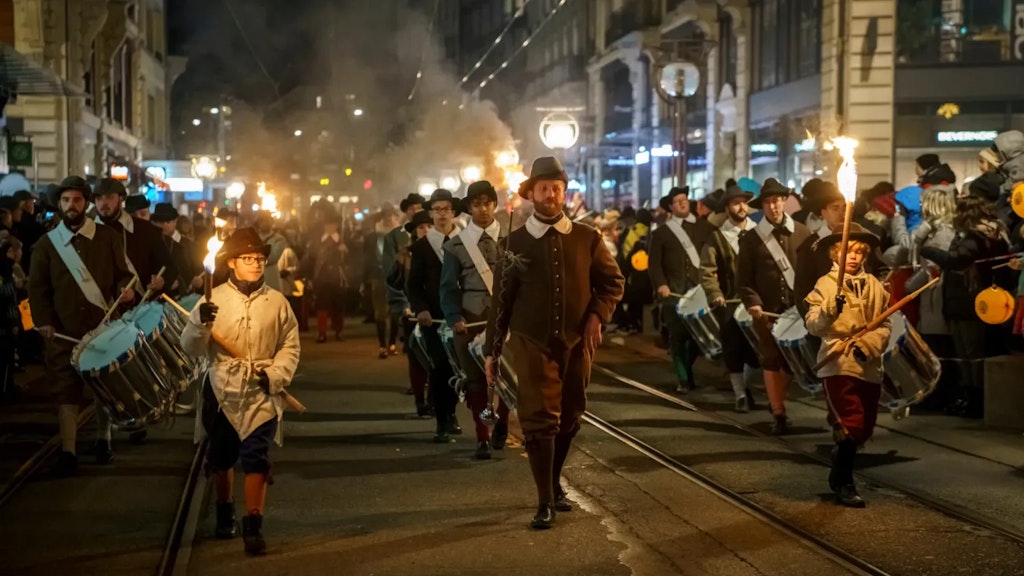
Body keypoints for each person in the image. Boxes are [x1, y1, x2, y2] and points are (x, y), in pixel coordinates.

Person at [484, 157, 624, 530]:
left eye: (557, 188)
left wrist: (596, 317)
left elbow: (612, 283)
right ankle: (544, 500)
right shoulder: (514, 241)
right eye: (544, 188)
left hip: (577, 342)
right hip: (532, 342)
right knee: (540, 420)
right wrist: (491, 350)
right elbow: (500, 301)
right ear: (531, 194)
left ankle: (554, 480)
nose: (551, 194)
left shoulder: (587, 237)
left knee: (572, 413)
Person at [181, 227, 300, 556]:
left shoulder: (277, 302)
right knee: (222, 457)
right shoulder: (212, 299)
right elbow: (189, 348)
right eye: (248, 258)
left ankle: (253, 524)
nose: (256, 264)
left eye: (260, 258)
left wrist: (276, 375)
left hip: (261, 390)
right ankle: (224, 508)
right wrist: (199, 324)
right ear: (232, 263)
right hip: (221, 390)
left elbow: (290, 345)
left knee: (255, 456)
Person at [29, 176, 136, 476]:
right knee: (65, 391)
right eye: (65, 201)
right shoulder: (46, 245)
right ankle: (68, 451)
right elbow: (37, 289)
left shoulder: (107, 238)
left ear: (86, 204)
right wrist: (44, 322)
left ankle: (104, 439)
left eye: (77, 200)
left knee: (102, 385)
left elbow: (124, 274)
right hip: (62, 332)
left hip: (101, 326)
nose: (71, 206)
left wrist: (127, 288)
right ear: (59, 205)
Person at [805, 227, 890, 508]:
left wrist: (868, 344)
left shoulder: (876, 287)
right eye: (846, 251)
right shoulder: (825, 284)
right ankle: (844, 482)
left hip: (868, 362)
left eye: (857, 252)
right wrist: (830, 309)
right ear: (835, 253)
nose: (852, 257)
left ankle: (840, 456)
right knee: (850, 422)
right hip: (838, 360)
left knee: (864, 428)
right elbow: (813, 323)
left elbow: (886, 324)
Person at [920, 195, 1012, 417]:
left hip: (969, 300)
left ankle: (973, 399)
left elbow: (956, 259)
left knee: (969, 353)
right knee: (968, 353)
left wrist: (928, 250)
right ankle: (970, 397)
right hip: (973, 300)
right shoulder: (991, 233)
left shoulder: (977, 236)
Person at [736, 178, 811, 435]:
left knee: (793, 362)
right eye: (768, 202)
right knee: (771, 360)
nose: (774, 206)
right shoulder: (750, 239)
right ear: (763, 206)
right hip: (766, 311)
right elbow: (743, 280)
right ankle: (778, 412)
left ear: (785, 202)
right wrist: (753, 304)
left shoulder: (802, 232)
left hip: (799, 311)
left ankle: (778, 400)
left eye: (777, 200)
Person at [439, 181, 507, 460]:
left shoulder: (513, 237)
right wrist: (454, 316)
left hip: (505, 317)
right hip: (471, 318)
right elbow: (448, 287)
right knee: (476, 381)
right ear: (468, 209)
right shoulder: (455, 246)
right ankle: (482, 436)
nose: (483, 209)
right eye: (476, 204)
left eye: (487, 202)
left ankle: (502, 421)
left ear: (495, 205)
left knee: (506, 378)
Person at [407, 188, 464, 443]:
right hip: (433, 318)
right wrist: (421, 309)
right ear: (430, 214)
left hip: (459, 317)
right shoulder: (422, 247)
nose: (442, 214)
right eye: (437, 209)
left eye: (446, 209)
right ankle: (442, 420)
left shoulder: (465, 242)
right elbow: (413, 284)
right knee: (440, 367)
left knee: (458, 367)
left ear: (454, 212)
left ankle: (453, 414)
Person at [699, 184, 759, 412]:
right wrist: (715, 294)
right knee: (733, 350)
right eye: (736, 203)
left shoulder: (758, 233)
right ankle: (740, 394)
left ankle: (747, 385)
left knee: (756, 352)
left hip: (755, 302)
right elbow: (707, 270)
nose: (741, 206)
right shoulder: (717, 237)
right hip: (729, 303)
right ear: (727, 208)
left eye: (744, 202)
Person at [649, 186, 708, 393]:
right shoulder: (662, 233)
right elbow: (654, 264)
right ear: (670, 207)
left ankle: (687, 371)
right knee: (678, 336)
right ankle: (684, 378)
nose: (683, 203)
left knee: (698, 338)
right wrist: (660, 284)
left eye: (685, 199)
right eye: (678, 201)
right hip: (673, 292)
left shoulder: (703, 227)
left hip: (699, 290)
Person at [387, 209, 433, 416]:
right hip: (412, 313)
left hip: (437, 313)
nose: (426, 230)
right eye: (421, 227)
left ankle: (436, 402)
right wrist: (404, 304)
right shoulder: (405, 255)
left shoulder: (444, 250)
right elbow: (393, 283)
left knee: (438, 361)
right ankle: (420, 401)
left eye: (429, 226)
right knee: (416, 358)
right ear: (414, 231)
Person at [794, 180, 847, 314]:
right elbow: (802, 289)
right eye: (835, 208)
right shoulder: (810, 247)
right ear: (822, 212)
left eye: (845, 207)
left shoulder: (862, 238)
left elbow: (880, 270)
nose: (842, 213)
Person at [383, 193, 426, 355]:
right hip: (408, 301)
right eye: (411, 209)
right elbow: (391, 274)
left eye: (419, 208)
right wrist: (403, 304)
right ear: (406, 212)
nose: (415, 211)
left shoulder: (436, 236)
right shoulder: (393, 237)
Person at [302, 215, 348, 343]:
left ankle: (339, 331)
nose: (329, 228)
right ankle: (322, 333)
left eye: (332, 225)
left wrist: (346, 252)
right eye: (327, 225)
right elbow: (310, 261)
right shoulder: (317, 242)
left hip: (338, 278)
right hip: (321, 278)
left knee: (339, 306)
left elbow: (352, 260)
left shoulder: (343, 240)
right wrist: (308, 277)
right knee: (322, 306)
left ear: (337, 226)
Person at [366, 209, 401, 358]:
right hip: (379, 277)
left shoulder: (402, 235)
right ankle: (382, 345)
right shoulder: (374, 237)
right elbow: (367, 258)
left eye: (393, 216)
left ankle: (392, 343)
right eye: (387, 216)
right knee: (380, 312)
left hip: (397, 278)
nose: (390, 219)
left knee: (395, 312)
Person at [151, 203, 202, 297]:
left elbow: (197, 270)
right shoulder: (152, 244)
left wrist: (184, 282)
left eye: (167, 222)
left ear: (175, 221)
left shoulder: (187, 244)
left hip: (184, 297)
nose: (164, 226)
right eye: (160, 222)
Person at [255, 211, 288, 292]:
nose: (265, 223)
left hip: (271, 279)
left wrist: (255, 259)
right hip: (255, 280)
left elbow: (273, 257)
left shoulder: (279, 239)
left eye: (267, 220)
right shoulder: (253, 238)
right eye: (262, 220)